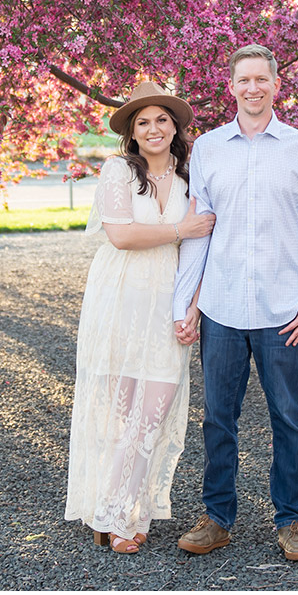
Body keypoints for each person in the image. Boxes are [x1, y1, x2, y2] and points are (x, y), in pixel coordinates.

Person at [171, 44, 298, 562]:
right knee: (217, 419)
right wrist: (186, 303)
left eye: (261, 79)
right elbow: (199, 232)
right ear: (231, 86)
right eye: (243, 79)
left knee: (288, 419)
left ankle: (291, 520)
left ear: (275, 85)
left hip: (285, 312)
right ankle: (217, 517)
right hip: (221, 307)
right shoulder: (207, 149)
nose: (252, 88)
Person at [65, 81, 215, 554]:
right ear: (132, 132)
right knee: (121, 413)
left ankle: (129, 508)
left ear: (175, 127)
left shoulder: (192, 179)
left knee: (154, 412)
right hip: (121, 299)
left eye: (162, 120)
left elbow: (203, 251)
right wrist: (180, 228)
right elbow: (122, 236)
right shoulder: (119, 171)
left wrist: (193, 310)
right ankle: (116, 515)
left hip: (168, 301)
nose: (153, 129)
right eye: (143, 122)